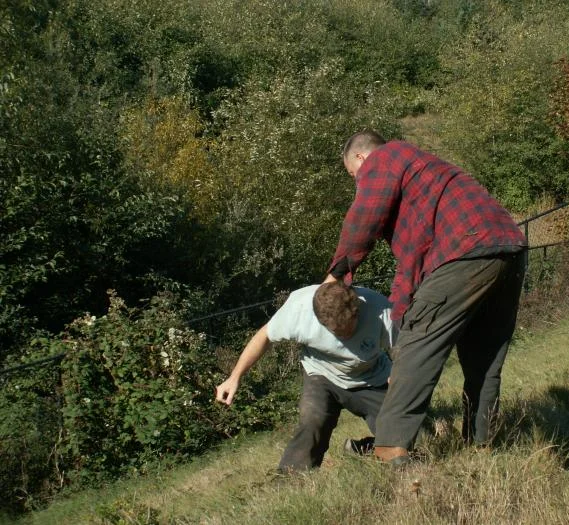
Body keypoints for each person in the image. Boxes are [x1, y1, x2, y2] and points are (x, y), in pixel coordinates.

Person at [324, 130, 528, 465]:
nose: (358, 182)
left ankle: (389, 449)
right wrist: (404, 326)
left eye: (353, 176)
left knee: (418, 344)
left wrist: (336, 274)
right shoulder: (426, 175)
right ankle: (482, 444)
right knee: (484, 358)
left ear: (361, 158)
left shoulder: (385, 157)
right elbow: (414, 265)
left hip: (466, 249)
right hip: (507, 247)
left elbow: (364, 216)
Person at [215, 281, 394, 473]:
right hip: (321, 374)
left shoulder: (380, 309)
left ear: (356, 311)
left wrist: (398, 376)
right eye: (337, 332)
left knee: (414, 433)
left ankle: (368, 448)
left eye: (349, 328)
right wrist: (234, 377)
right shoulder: (299, 308)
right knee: (312, 418)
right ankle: (290, 477)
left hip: (372, 376)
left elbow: (404, 348)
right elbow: (264, 336)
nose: (344, 338)